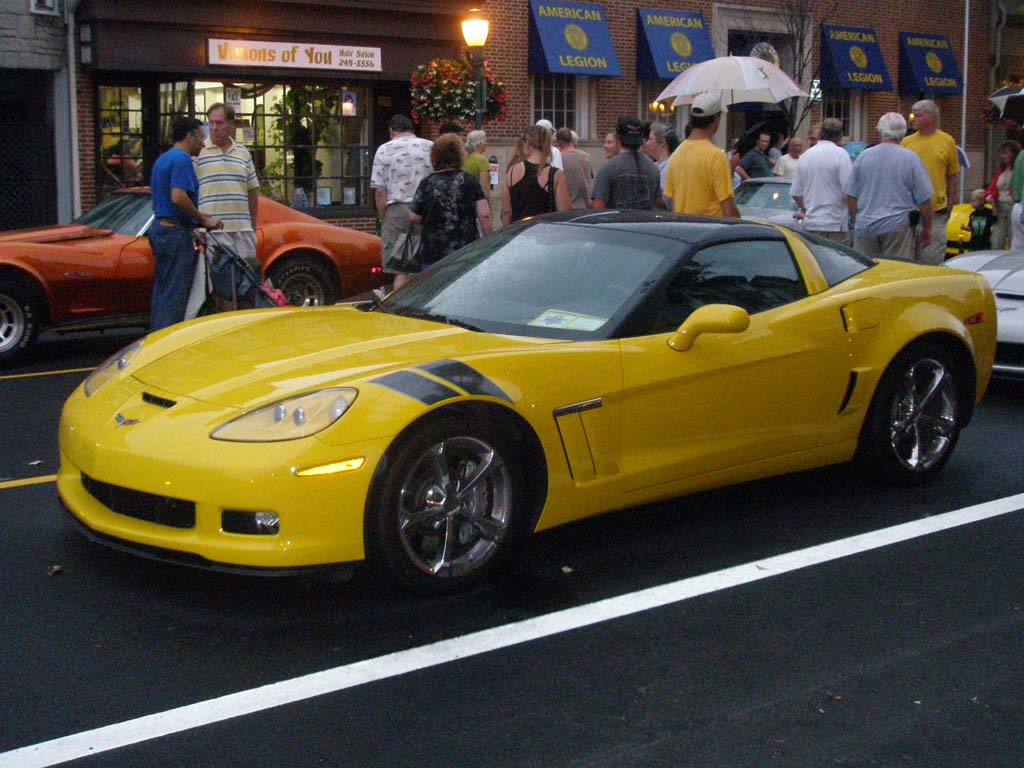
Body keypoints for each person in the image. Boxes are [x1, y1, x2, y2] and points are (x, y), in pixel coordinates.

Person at [148, 116, 223, 331]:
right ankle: (169, 346)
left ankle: (156, 339)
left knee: (163, 291)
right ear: (189, 136)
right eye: (201, 137)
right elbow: (178, 197)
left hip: (161, 229)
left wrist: (192, 227)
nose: (203, 143)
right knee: (176, 295)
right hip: (174, 233)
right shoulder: (182, 160)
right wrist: (203, 219)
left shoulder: (163, 159)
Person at [846, 112, 934, 261]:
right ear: (903, 131)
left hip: (866, 225)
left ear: (880, 130)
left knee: (865, 273)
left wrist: (856, 219)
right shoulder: (910, 158)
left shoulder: (863, 156)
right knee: (894, 273)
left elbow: (851, 195)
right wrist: (927, 229)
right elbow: (925, 200)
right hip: (897, 226)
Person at [410, 134, 492, 270]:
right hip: (465, 251)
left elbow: (413, 217)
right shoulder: (470, 181)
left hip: (433, 251)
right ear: (460, 156)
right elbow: (484, 215)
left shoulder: (427, 183)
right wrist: (488, 243)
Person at [371, 114, 433, 290]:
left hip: (396, 210)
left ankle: (401, 307)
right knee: (425, 264)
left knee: (400, 268)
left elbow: (380, 191)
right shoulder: (429, 147)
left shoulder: (384, 149)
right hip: (424, 211)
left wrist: (383, 218)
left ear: (392, 131)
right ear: (412, 130)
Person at [196, 103, 260, 273]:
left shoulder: (243, 153)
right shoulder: (199, 152)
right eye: (211, 123)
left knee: (246, 282)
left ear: (231, 125)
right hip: (213, 232)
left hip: (242, 231)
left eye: (219, 123)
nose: (214, 128)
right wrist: (197, 224)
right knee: (218, 284)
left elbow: (252, 191)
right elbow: (190, 192)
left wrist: (251, 226)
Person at [901, 99, 960, 264]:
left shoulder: (947, 141)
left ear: (931, 118)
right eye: (913, 115)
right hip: (909, 211)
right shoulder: (906, 142)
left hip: (936, 210)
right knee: (906, 261)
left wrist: (950, 205)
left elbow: (952, 176)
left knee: (931, 259)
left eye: (918, 115)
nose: (913, 119)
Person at [663, 92, 739, 218]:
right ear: (716, 120)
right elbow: (728, 208)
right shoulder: (716, 156)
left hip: (685, 230)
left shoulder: (676, 155)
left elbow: (673, 203)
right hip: (712, 232)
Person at [791, 118, 852, 243]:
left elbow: (796, 193)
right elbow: (849, 190)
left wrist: (807, 209)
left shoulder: (806, 155)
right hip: (835, 223)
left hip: (811, 223)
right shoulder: (841, 154)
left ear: (821, 134)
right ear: (840, 136)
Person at [500, 124, 571, 225]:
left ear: (527, 143)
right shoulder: (555, 175)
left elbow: (507, 212)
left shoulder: (512, 171)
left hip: (518, 233)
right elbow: (564, 213)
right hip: (544, 234)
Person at [590, 117, 661, 210]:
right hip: (645, 222)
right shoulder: (653, 168)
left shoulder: (609, 168)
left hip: (616, 223)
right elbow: (657, 202)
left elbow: (598, 207)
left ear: (618, 137)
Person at [986, 140, 1019, 250]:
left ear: (1014, 154)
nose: (1002, 156)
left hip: (1013, 208)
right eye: (1001, 153)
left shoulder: (1018, 170)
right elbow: (992, 189)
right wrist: (990, 197)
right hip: (999, 209)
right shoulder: (1000, 171)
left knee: (1014, 239)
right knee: (996, 240)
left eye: (1005, 153)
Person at [556, 126, 594, 209]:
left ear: (559, 142)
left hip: (567, 206)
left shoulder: (558, 158)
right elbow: (590, 179)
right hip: (585, 205)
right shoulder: (585, 156)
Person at [643, 121, 678, 207]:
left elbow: (665, 201)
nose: (647, 143)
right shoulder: (654, 165)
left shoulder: (668, 167)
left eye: (650, 139)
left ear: (662, 143)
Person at [462, 129, 491, 194]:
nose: (487, 144)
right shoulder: (482, 161)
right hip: (476, 199)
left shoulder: (463, 158)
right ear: (480, 143)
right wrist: (488, 203)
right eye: (485, 141)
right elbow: (484, 186)